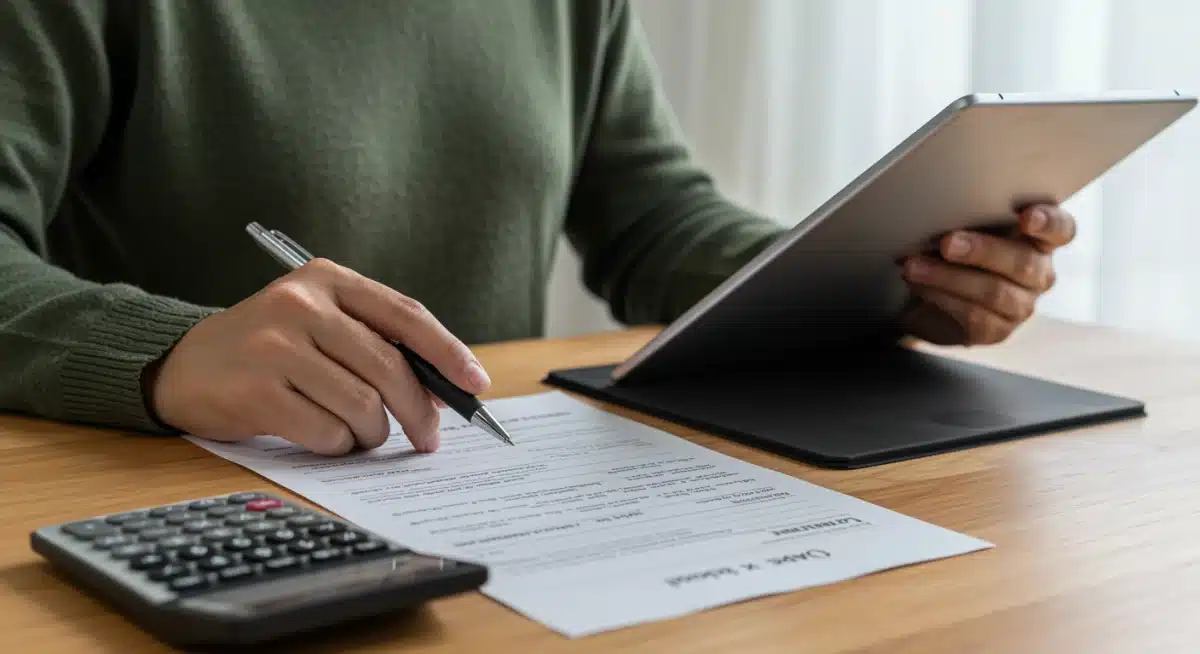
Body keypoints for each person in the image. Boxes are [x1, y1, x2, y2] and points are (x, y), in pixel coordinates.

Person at [0, 1, 1075, 456]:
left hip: (477, 496)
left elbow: (653, 217)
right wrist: (164, 353)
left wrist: (880, 277)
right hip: (193, 505)